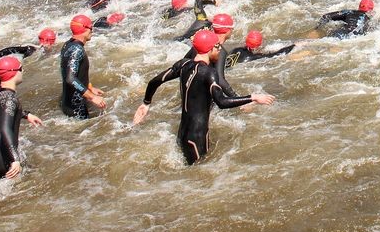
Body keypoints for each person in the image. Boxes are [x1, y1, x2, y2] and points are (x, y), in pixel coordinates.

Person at [132, 29, 275, 164]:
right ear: (210, 49)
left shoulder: (183, 64)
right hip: (197, 136)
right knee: (200, 176)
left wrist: (146, 103)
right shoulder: (208, 73)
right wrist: (253, 97)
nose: (220, 50)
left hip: (182, 133)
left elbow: (155, 81)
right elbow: (222, 102)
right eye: (217, 47)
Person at [0, 56, 43, 180]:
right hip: (2, 159)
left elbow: (1, 112)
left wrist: (25, 114)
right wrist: (15, 159)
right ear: (14, 72)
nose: (23, 71)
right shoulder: (9, 98)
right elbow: (5, 129)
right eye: (21, 69)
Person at [59, 15, 107, 118]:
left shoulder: (67, 44)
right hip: (77, 108)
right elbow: (70, 79)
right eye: (91, 28)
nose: (92, 31)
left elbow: (72, 71)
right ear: (85, 28)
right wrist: (92, 97)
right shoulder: (77, 50)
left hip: (68, 102)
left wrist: (89, 87)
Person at [225, 30, 296, 69]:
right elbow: (278, 54)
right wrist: (294, 45)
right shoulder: (257, 57)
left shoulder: (237, 50)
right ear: (258, 46)